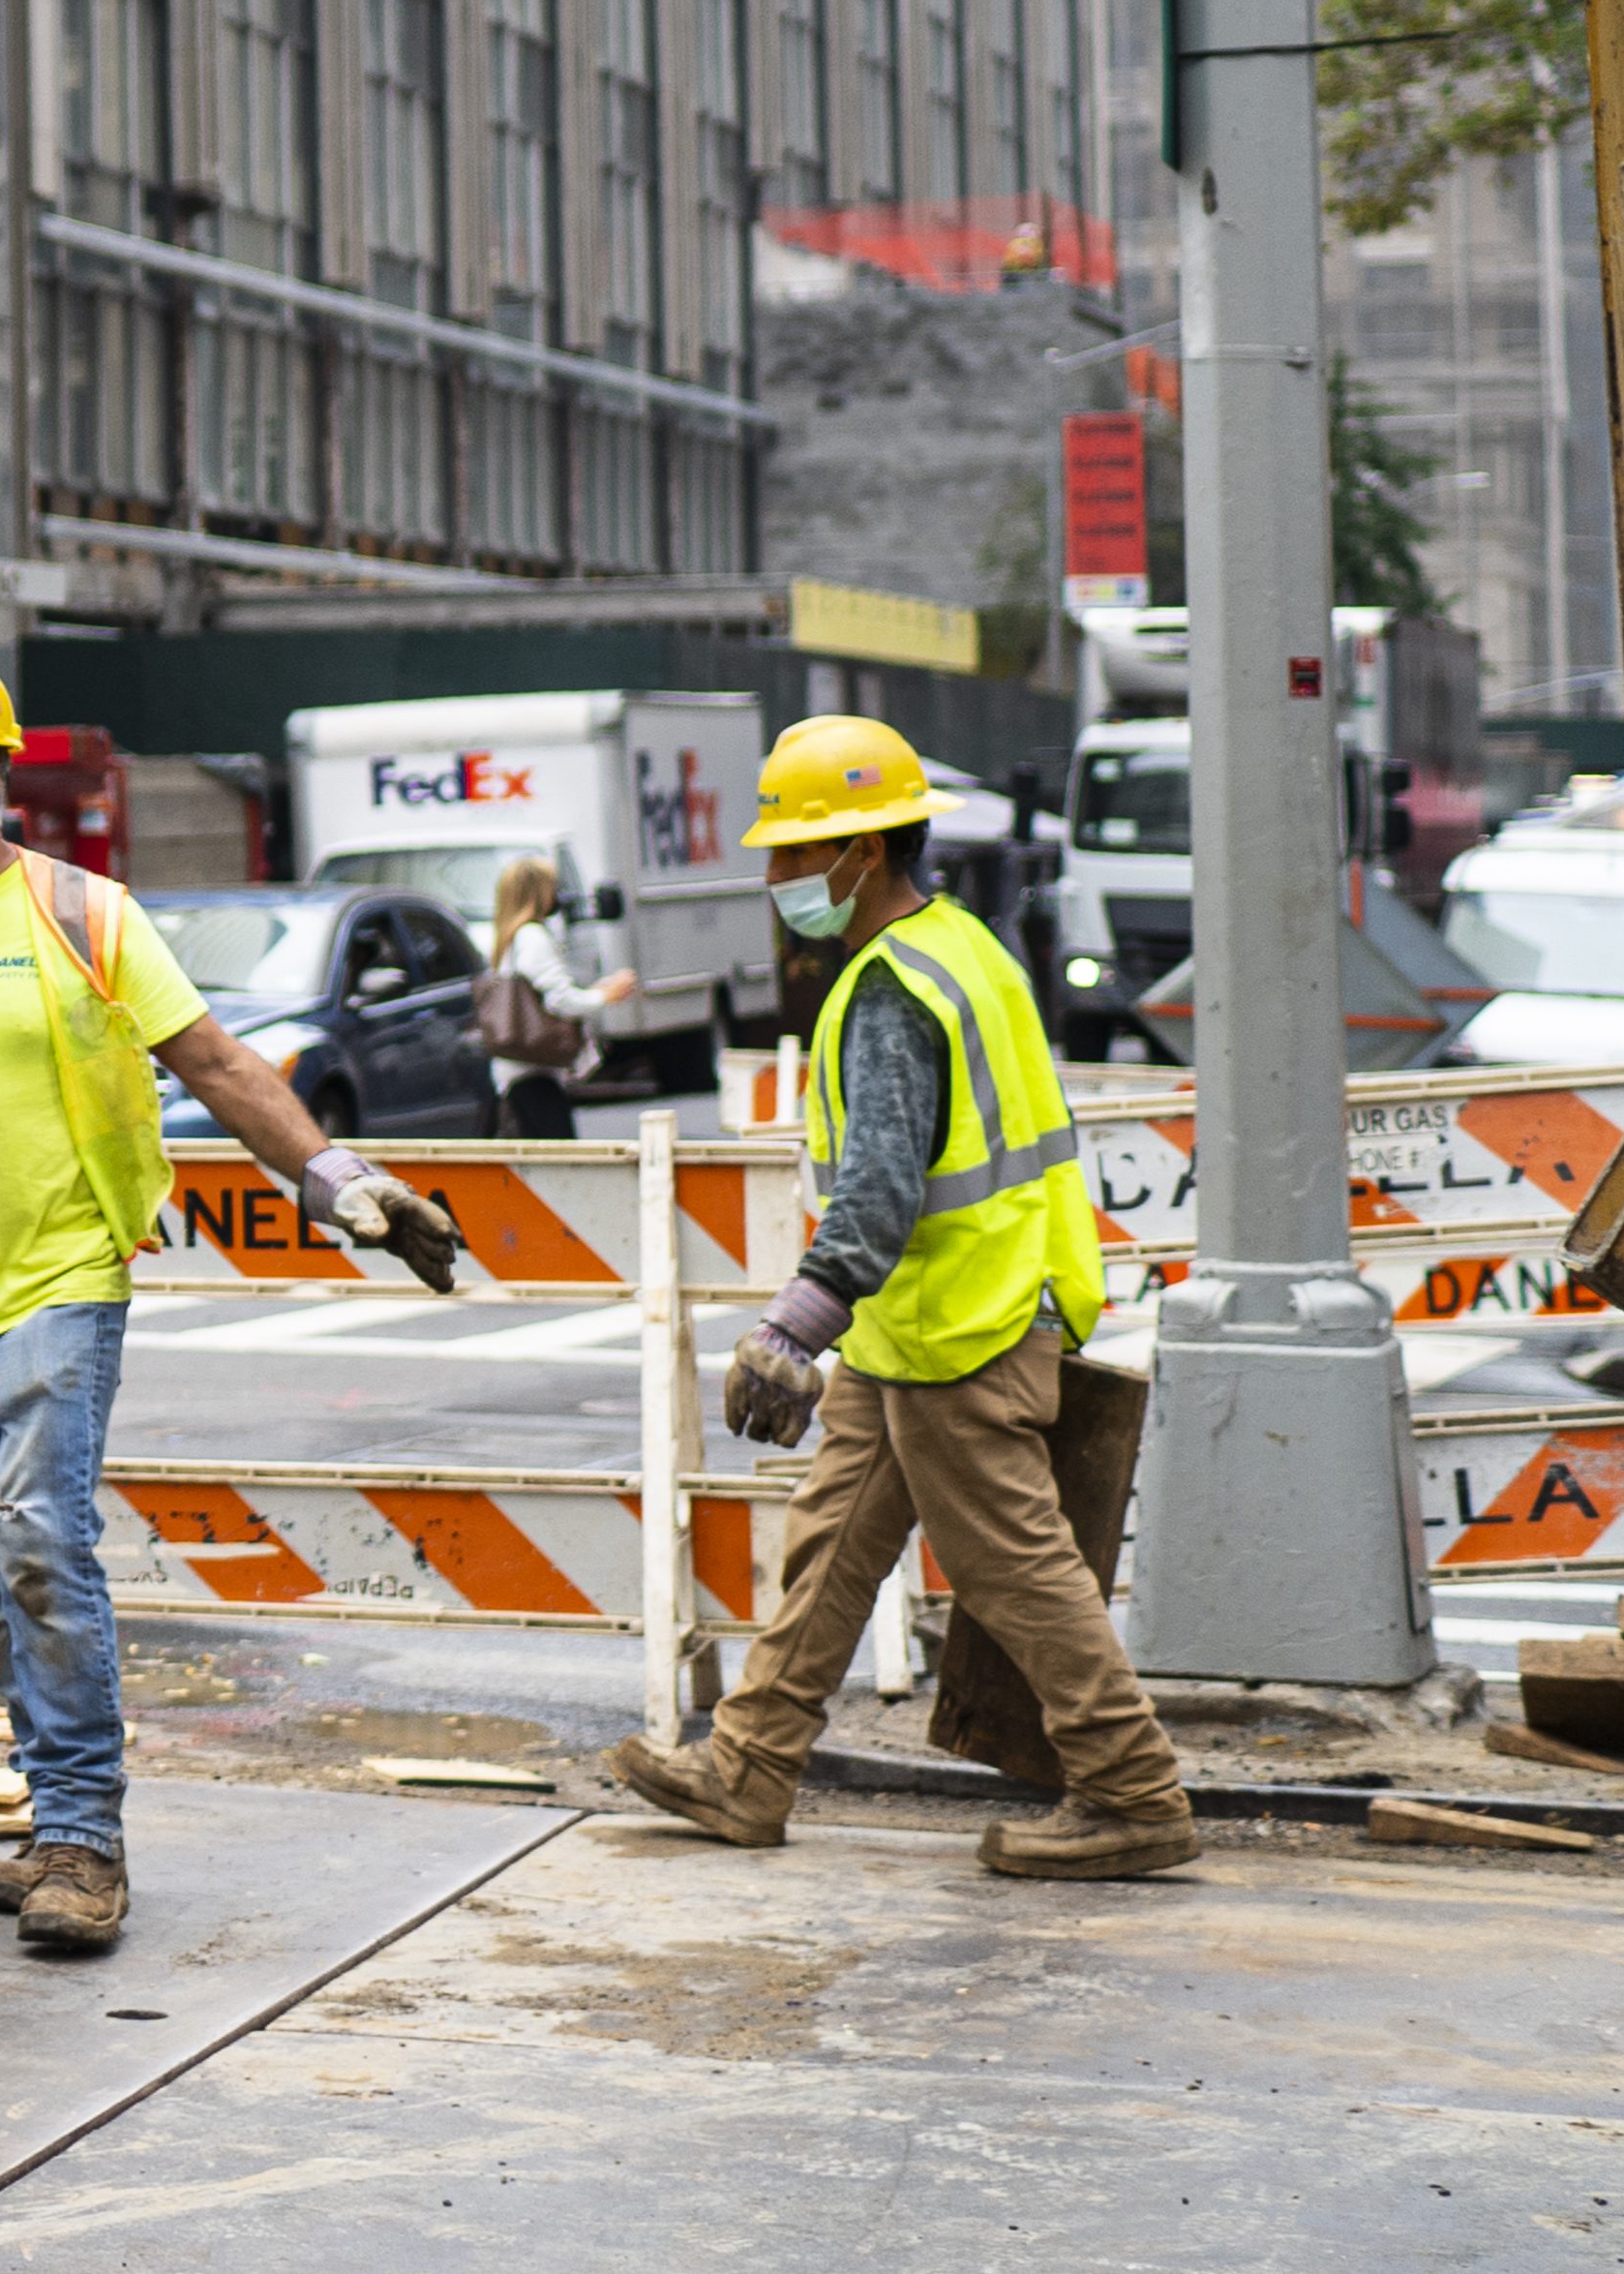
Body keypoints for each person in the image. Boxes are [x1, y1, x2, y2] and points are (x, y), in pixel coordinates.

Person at [0, 642, 447, 1960]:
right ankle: (52, 1807)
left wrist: (343, 1180)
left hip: (62, 1273)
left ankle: (85, 1841)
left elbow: (217, 1061)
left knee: (38, 1532)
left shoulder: (84, 916)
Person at [602, 716, 1189, 1879]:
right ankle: (750, 1767)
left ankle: (1132, 1792)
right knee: (830, 1544)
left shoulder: (886, 991)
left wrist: (789, 1330)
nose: (775, 879)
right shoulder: (961, 943)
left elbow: (878, 1188)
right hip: (935, 1321)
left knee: (1015, 1567)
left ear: (860, 854)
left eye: (788, 856)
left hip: (959, 1330)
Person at [475, 851, 615, 1139]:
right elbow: (559, 999)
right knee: (562, 1164)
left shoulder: (508, 938)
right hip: (534, 1075)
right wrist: (605, 996)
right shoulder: (532, 937)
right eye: (552, 887)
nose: (558, 895)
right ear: (539, 893)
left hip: (514, 1073)